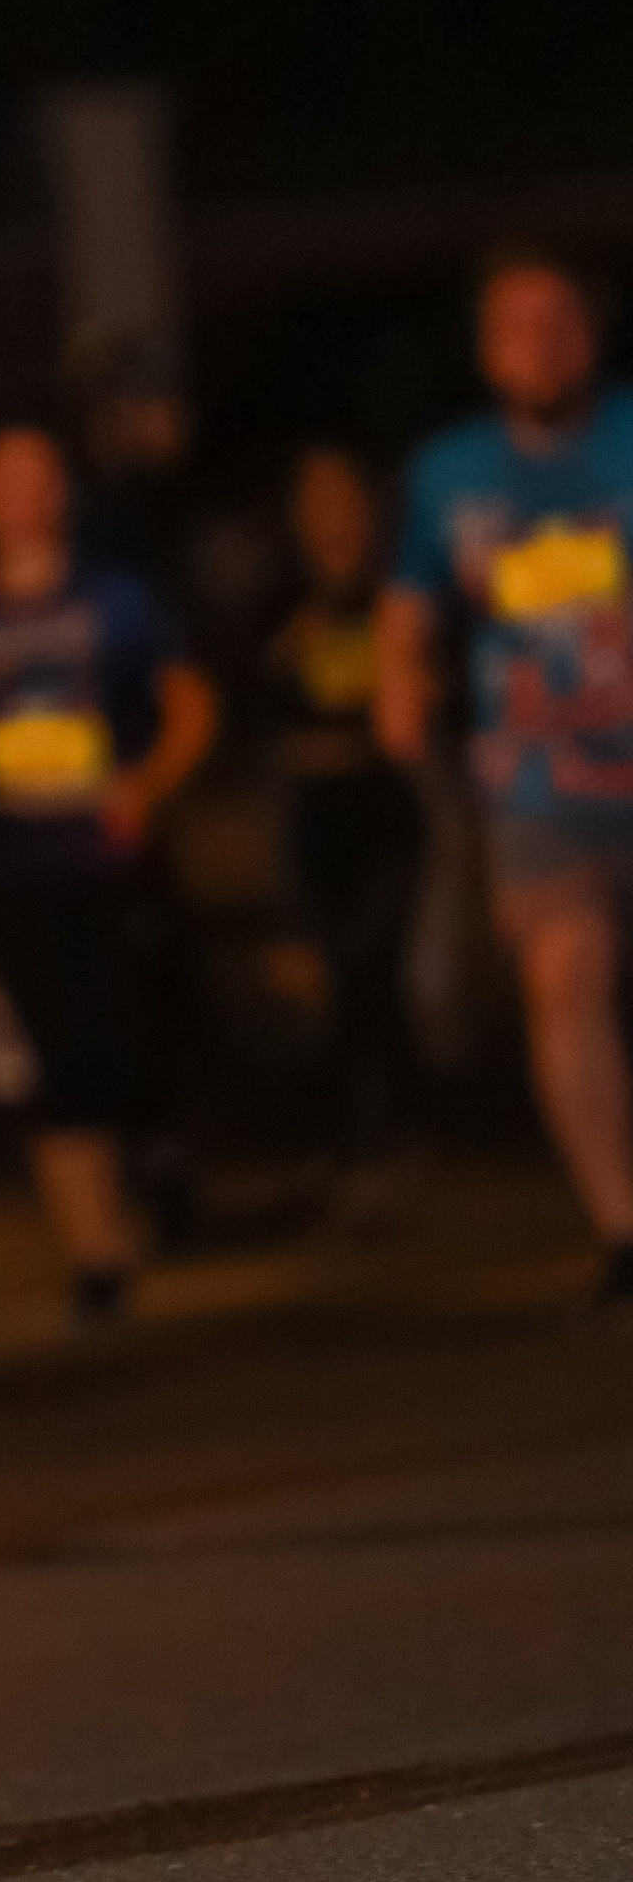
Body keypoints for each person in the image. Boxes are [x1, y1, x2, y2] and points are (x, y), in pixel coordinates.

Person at [0, 424, 219, 1320]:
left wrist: (149, 785)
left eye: (39, 478)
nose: (22, 497)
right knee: (49, 1055)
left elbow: (191, 703)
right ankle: (96, 1252)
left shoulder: (116, 594)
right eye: (3, 481)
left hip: (113, 862)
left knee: (133, 1038)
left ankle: (160, 1169)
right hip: (19, 865)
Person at [379, 250, 633, 1299]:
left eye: (559, 320)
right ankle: (622, 1226)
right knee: (564, 975)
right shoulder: (449, 471)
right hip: (539, 778)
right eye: (515, 326)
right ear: (486, 352)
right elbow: (409, 601)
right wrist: (398, 680)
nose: (540, 345)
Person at [262, 446, 424, 1211]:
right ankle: (334, 1145)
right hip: (309, 806)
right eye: (315, 498)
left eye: (344, 496)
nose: (331, 514)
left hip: (383, 803)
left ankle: (383, 1147)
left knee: (373, 970)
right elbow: (255, 704)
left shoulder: (398, 588)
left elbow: (428, 685)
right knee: (318, 982)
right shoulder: (280, 599)